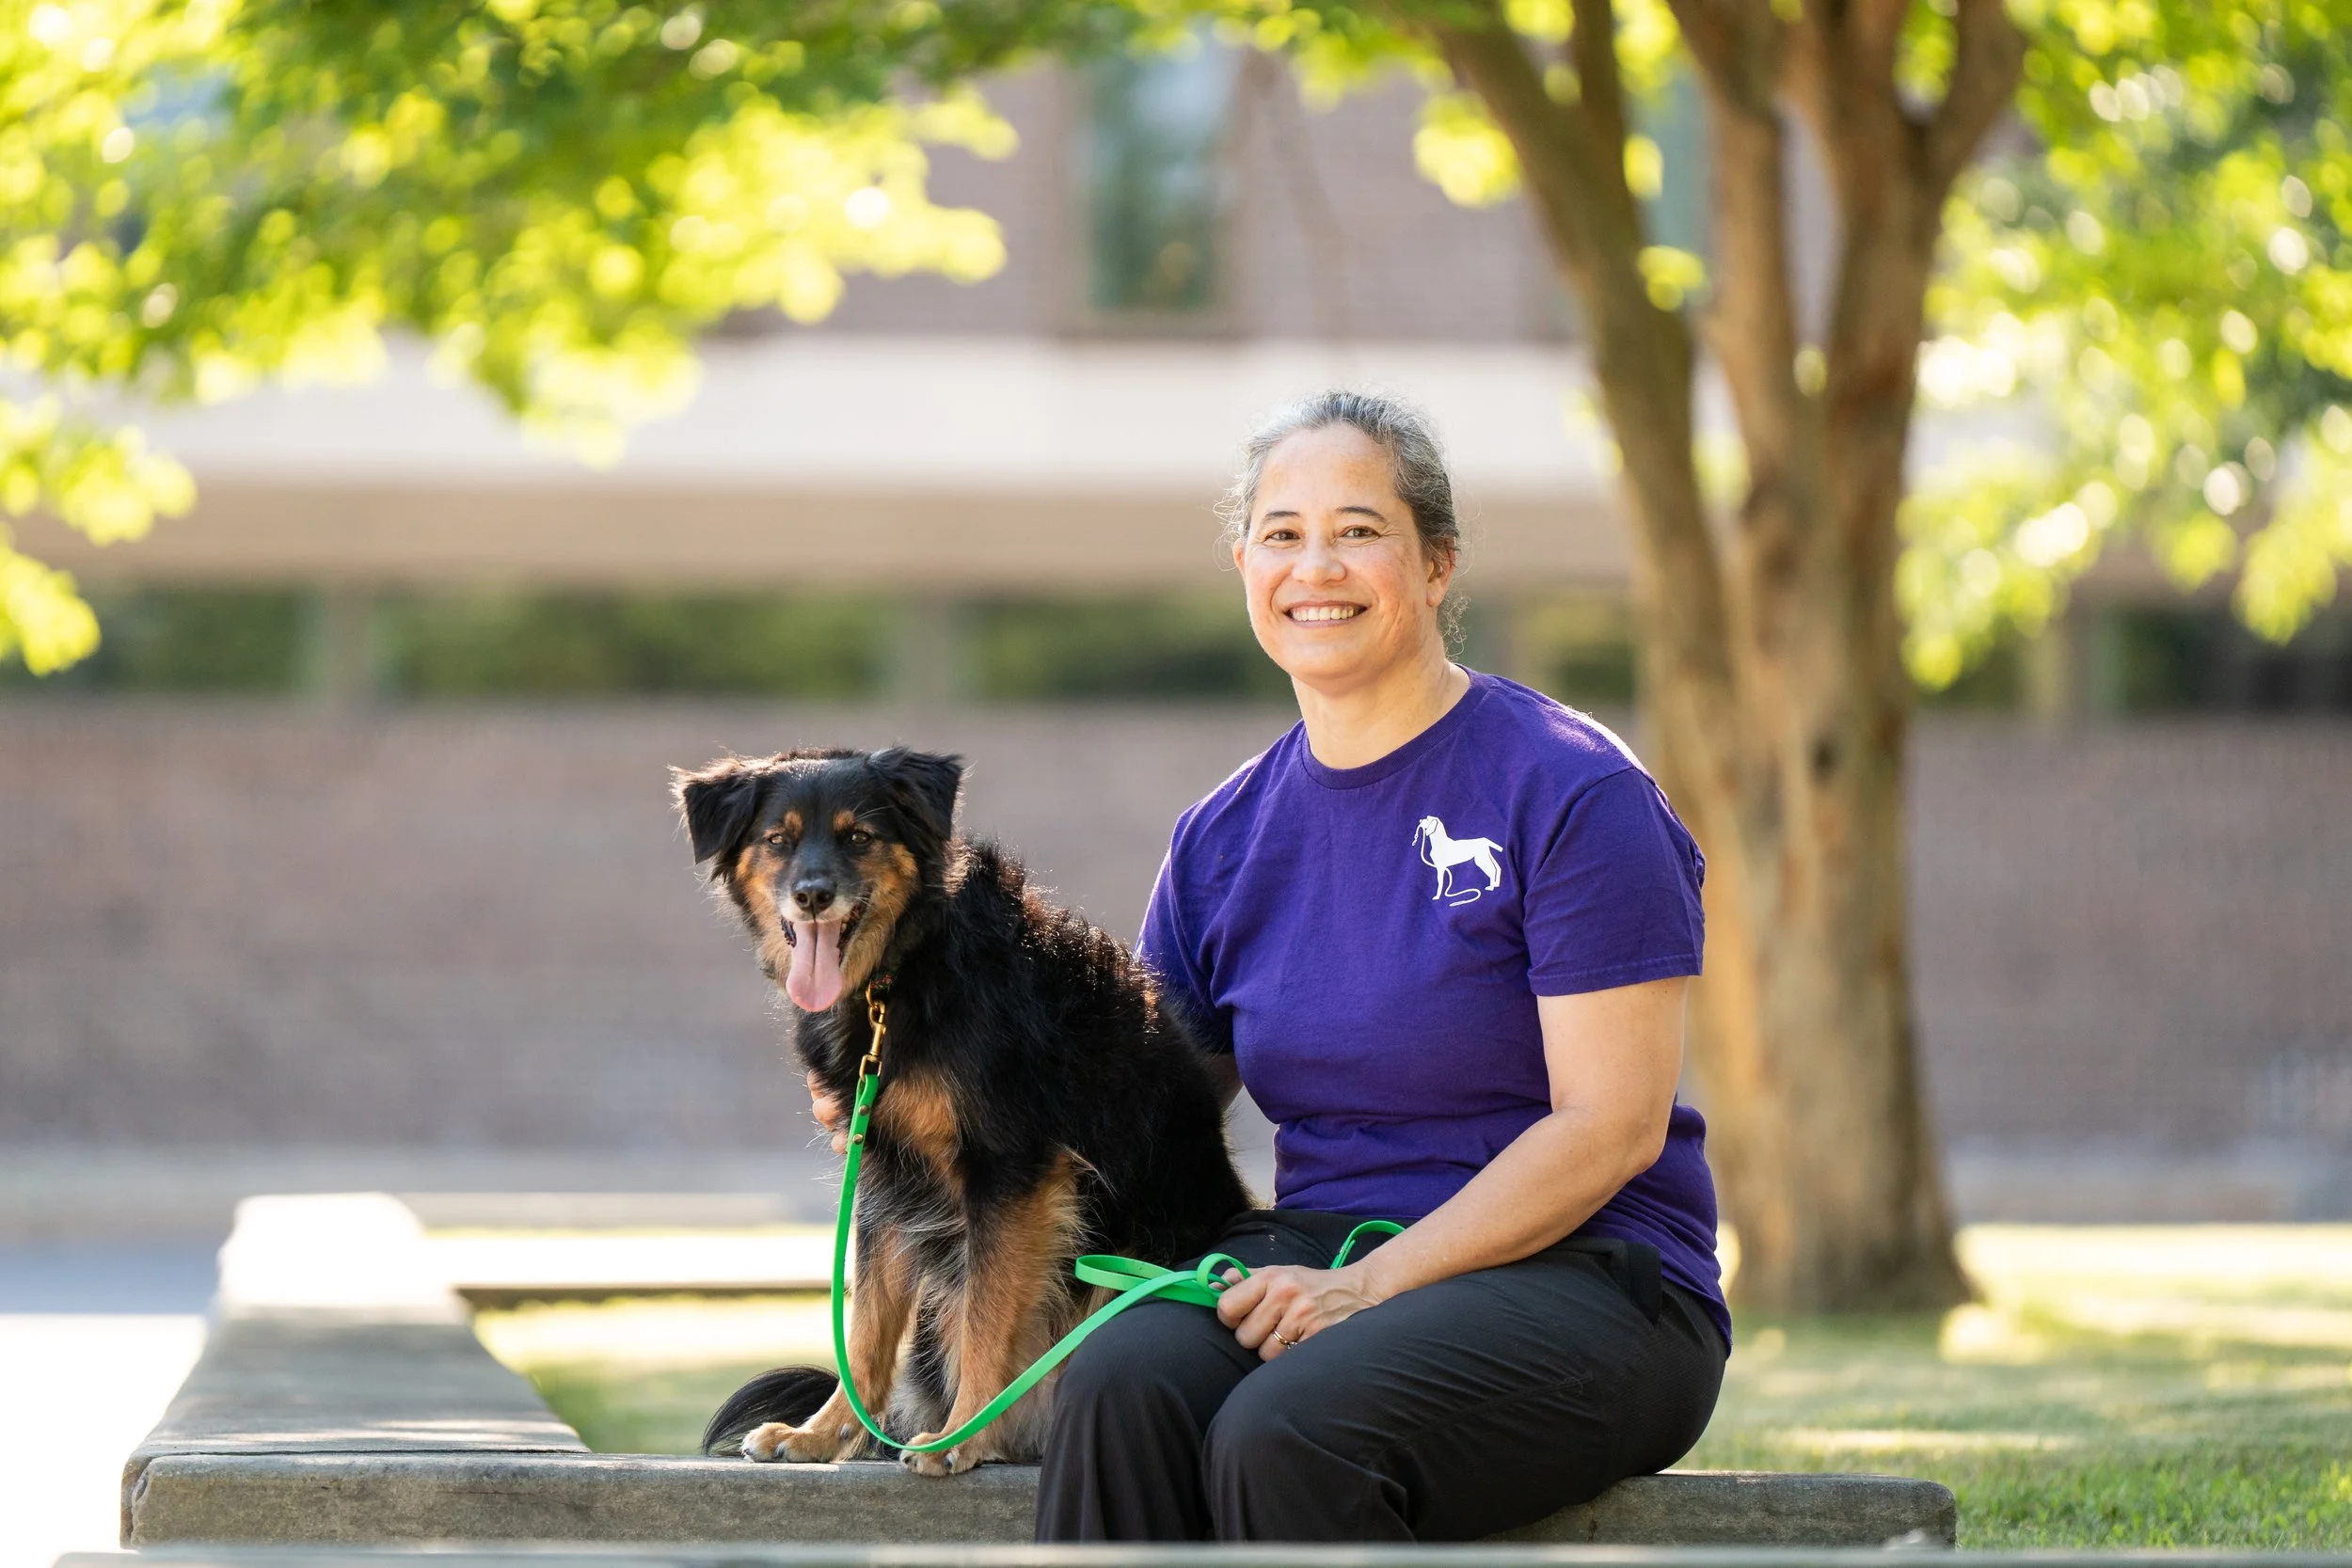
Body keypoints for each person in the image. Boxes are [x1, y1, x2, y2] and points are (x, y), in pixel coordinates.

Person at [818, 390, 1728, 1542]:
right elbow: (1136, 1102)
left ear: (1437, 563)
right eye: (1282, 533)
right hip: (1315, 1251)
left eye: (1359, 530)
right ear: (1245, 564)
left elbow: (1611, 1126)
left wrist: (1369, 1283)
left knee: (1285, 1428)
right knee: (1122, 1379)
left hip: (1591, 1277)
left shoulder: (1569, 789)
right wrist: (942, 1029)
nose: (1315, 566)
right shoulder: (1226, 833)